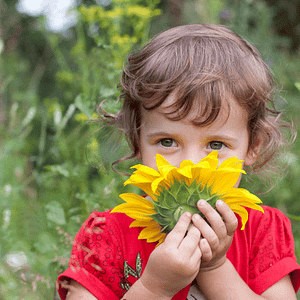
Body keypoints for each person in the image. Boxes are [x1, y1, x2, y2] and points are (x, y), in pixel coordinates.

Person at [56, 24, 300, 300]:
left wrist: (215, 267)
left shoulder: (261, 231)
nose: (189, 166)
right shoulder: (106, 236)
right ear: (137, 142)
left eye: (216, 145)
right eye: (167, 142)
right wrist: (153, 288)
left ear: (251, 148)